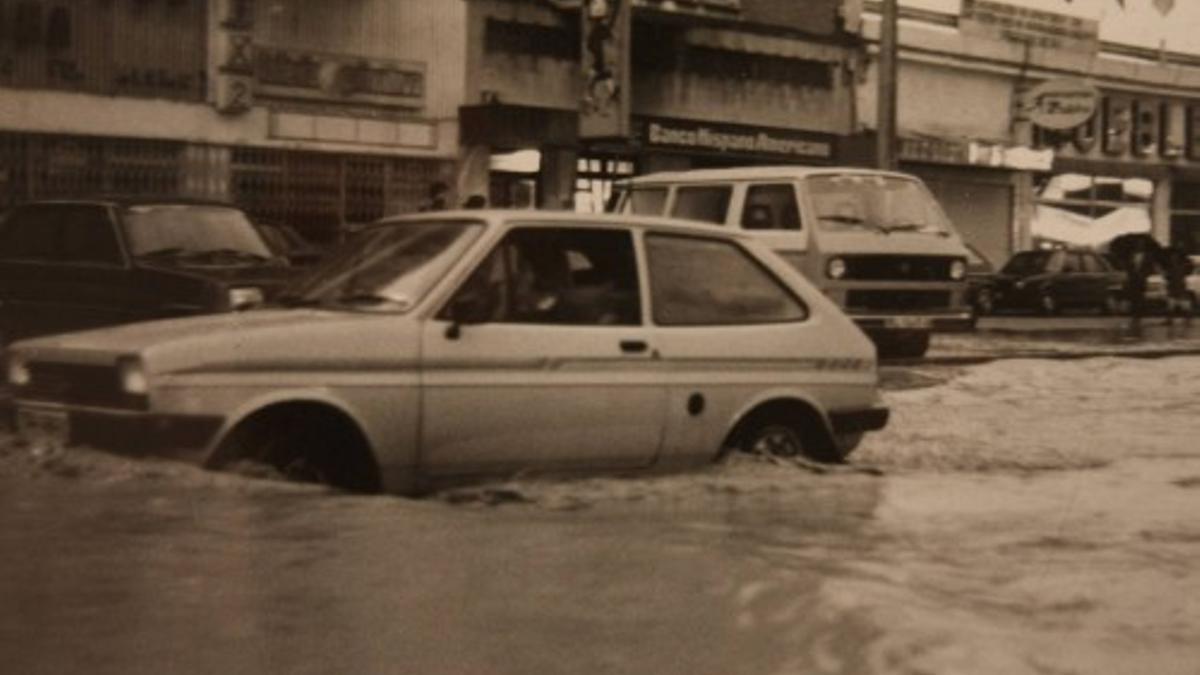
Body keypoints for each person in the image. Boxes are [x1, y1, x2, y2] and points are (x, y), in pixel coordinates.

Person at [1160, 245, 1195, 322]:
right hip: (1176, 285)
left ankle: (1174, 318)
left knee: (1178, 301)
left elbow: (1171, 276)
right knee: (1173, 302)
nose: (1173, 257)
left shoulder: (1179, 265)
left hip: (1177, 285)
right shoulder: (1177, 265)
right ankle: (1184, 318)